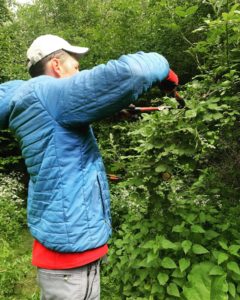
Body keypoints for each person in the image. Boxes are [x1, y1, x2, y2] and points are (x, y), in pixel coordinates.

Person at [0, 34, 178, 299]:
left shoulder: (32, 100)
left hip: (70, 248)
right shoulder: (50, 94)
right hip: (67, 262)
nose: (79, 70)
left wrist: (110, 110)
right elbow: (133, 71)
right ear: (57, 66)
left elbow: (62, 141)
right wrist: (165, 69)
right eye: (76, 66)